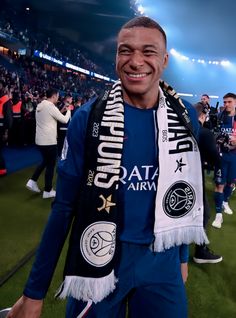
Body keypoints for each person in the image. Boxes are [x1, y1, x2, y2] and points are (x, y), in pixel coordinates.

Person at [8, 17, 207, 318]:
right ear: (115, 57)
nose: (135, 61)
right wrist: (34, 293)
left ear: (164, 60)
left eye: (148, 51)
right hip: (99, 259)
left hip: (162, 263)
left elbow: (181, 191)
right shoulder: (87, 119)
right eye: (125, 50)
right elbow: (63, 209)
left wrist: (180, 256)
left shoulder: (184, 117)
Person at [26, 88, 71, 199]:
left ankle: (32, 181)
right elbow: (65, 120)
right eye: (58, 96)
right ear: (54, 96)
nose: (58, 98)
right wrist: (69, 110)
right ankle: (48, 190)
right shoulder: (51, 107)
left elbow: (50, 117)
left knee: (45, 161)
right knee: (50, 165)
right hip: (49, 141)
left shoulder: (41, 105)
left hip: (40, 141)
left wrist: (61, 112)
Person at [192, 102, 222, 264]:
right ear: (202, 116)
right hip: (195, 181)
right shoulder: (204, 132)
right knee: (204, 213)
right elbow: (215, 160)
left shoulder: (178, 129)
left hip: (173, 180)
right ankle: (200, 250)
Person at [212, 93, 236, 228]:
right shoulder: (219, 117)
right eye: (225, 102)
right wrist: (217, 139)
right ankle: (218, 214)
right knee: (219, 184)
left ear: (235, 102)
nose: (226, 104)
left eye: (229, 102)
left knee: (231, 184)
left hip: (235, 156)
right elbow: (213, 134)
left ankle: (225, 201)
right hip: (221, 155)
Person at [0, 84, 13, 176]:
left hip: (1, 129)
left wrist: (6, 132)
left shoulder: (5, 100)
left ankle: (2, 169)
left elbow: (8, 119)